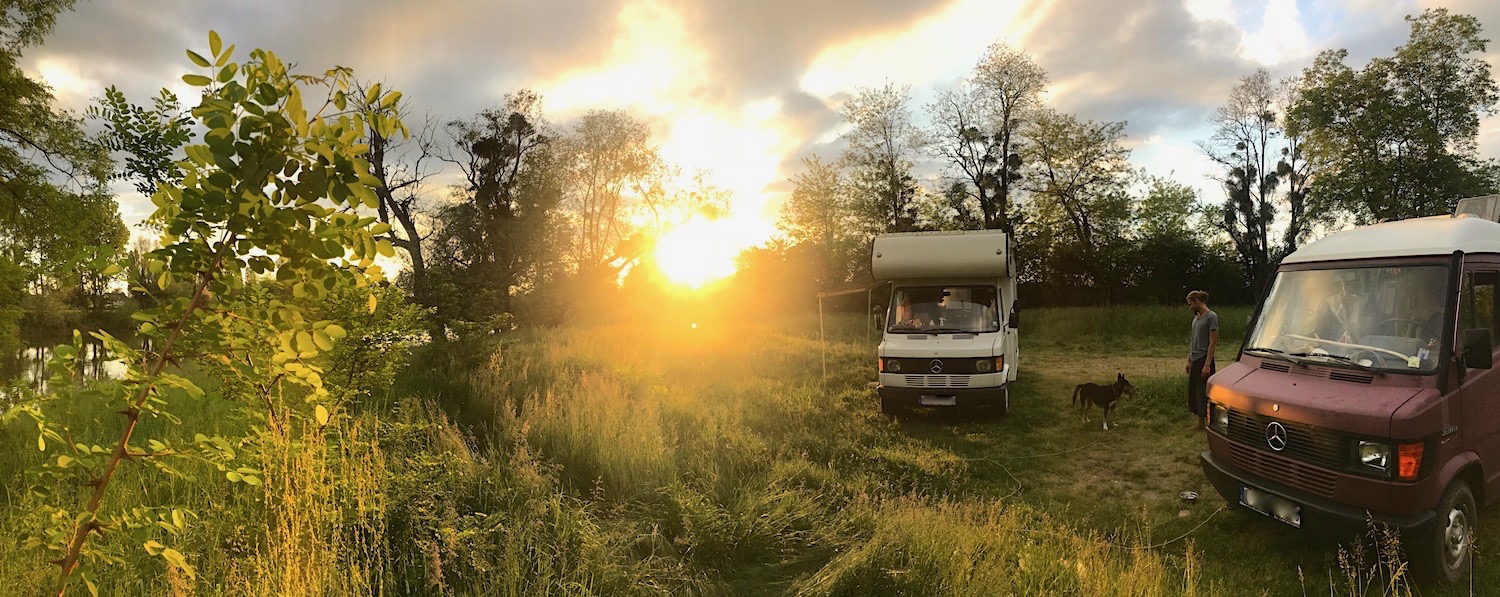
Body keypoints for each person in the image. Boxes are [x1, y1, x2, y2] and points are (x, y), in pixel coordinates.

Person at [1187, 290, 1218, 431]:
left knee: (1202, 391)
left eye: (1190, 304)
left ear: (1197, 301)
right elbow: (1193, 340)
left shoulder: (1211, 317)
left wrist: (1207, 364)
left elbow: (1213, 342)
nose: (1190, 307)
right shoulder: (1196, 318)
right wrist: (1189, 360)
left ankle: (1209, 422)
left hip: (1204, 359)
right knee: (1194, 391)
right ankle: (1199, 422)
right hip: (1195, 359)